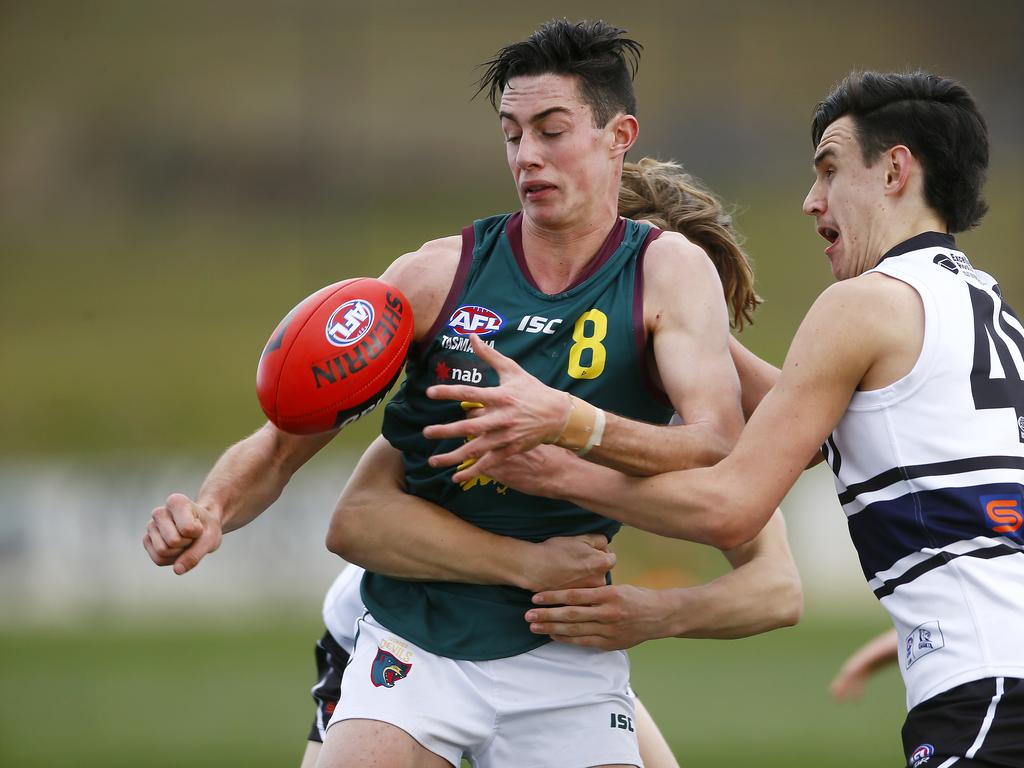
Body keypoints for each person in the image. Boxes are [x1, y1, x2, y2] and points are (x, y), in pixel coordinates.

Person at [143, 20, 790, 768]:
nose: (528, 156)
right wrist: (212, 509)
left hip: (560, 646)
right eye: (513, 135)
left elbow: (716, 442)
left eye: (552, 131)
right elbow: (282, 445)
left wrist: (572, 424)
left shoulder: (670, 274)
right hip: (417, 633)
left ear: (620, 136)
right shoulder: (431, 278)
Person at [454, 71, 1024, 767]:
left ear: (896, 170)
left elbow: (731, 509)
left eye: (829, 169)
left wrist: (561, 460)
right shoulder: (983, 306)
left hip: (989, 691)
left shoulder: (863, 305)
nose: (811, 200)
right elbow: (818, 430)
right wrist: (668, 314)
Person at [298, 158, 799, 768]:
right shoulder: (496, 391)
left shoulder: (677, 391)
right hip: (397, 620)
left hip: (545, 639)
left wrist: (652, 613)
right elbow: (355, 520)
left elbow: (777, 586)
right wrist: (530, 562)